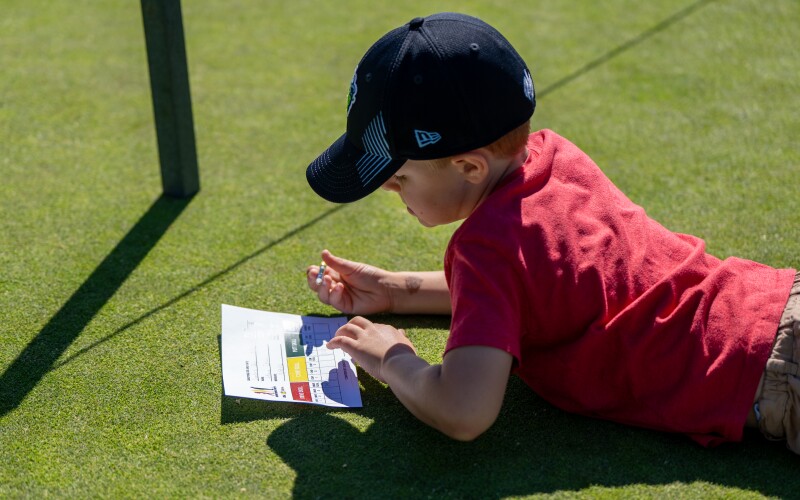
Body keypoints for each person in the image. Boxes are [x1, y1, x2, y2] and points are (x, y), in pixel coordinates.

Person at [303, 12, 800, 453]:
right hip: (774, 303)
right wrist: (395, 291)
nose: (389, 189)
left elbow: (463, 412)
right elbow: (534, 287)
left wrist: (392, 357)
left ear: (470, 167)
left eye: (398, 177)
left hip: (771, 375)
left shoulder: (488, 248)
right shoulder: (554, 159)